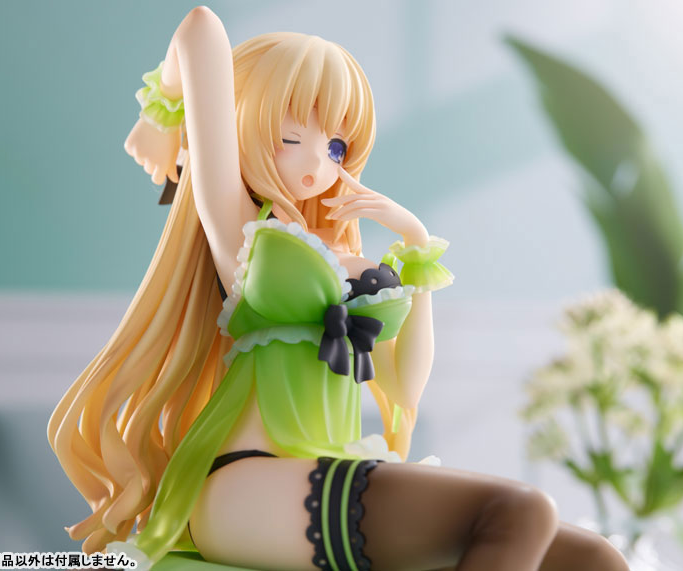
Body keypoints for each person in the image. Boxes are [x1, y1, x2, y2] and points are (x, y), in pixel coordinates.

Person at [48, 7, 629, 571]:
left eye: (335, 148)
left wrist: (415, 242)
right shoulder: (242, 235)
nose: (316, 163)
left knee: (595, 559)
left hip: (326, 468)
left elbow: (404, 384)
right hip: (248, 481)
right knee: (520, 511)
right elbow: (200, 27)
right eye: (289, 136)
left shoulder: (354, 260)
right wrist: (161, 120)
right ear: (245, 127)